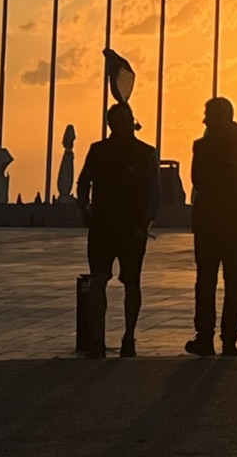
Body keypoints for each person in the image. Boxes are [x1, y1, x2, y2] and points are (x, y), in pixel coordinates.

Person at [185, 97, 237, 357]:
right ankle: (229, 340)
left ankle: (205, 338)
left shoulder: (203, 146)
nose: (205, 120)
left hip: (209, 222)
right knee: (234, 283)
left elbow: (198, 180)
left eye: (208, 115)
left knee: (206, 282)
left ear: (219, 117)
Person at [76, 103, 159, 359]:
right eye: (120, 120)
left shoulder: (145, 153)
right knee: (101, 280)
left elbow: (153, 193)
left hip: (130, 228)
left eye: (126, 119)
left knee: (130, 282)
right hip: (104, 225)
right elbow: (83, 182)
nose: (124, 124)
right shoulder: (100, 150)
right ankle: (98, 339)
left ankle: (127, 336)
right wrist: (85, 209)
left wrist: (145, 223)